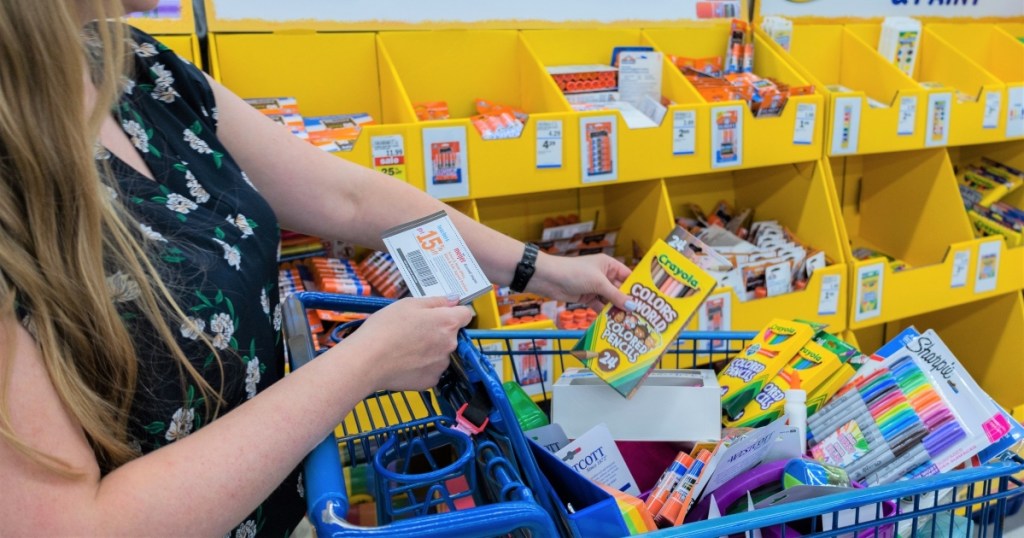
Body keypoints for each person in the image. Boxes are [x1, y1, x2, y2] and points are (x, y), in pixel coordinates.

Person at [0, 1, 634, 536]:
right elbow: (70, 525)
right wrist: (361, 365)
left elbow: (346, 198)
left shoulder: (138, 67)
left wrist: (542, 270)